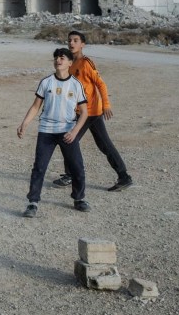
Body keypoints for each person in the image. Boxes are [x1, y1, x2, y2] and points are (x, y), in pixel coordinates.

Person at [50, 30, 134, 192]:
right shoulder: (69, 62)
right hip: (78, 112)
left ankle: (70, 175)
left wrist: (106, 105)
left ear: (83, 44)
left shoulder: (86, 63)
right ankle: (123, 177)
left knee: (69, 141)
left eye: (75, 40)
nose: (71, 43)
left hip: (91, 112)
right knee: (102, 144)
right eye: (69, 40)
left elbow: (100, 84)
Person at [17, 47, 89, 218]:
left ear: (70, 63)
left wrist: (74, 131)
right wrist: (24, 124)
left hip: (67, 132)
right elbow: (36, 106)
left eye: (62, 58)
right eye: (56, 57)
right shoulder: (46, 82)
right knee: (39, 168)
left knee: (77, 167)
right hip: (46, 131)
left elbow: (84, 112)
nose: (58, 60)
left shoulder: (76, 84)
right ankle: (32, 203)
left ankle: (79, 199)